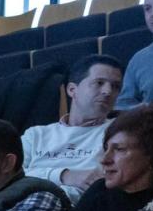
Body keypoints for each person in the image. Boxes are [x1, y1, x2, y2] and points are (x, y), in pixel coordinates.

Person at [22, 54, 124, 202]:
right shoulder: (36, 134)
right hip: (19, 201)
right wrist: (65, 175)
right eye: (99, 82)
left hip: (67, 206)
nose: (107, 91)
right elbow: (9, 176)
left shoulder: (119, 131)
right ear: (72, 90)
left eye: (115, 86)